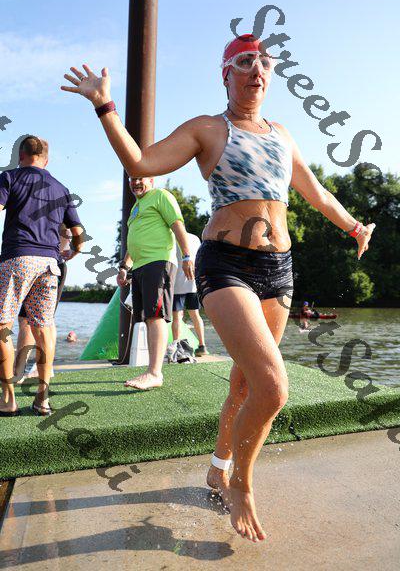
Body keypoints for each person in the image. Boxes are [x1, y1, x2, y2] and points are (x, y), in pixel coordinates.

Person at [61, 35, 375, 542]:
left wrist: (355, 227)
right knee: (274, 387)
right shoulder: (208, 128)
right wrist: (105, 106)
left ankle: (218, 467)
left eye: (264, 62)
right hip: (226, 265)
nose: (257, 70)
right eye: (245, 62)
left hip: (279, 270)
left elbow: (316, 193)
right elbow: (141, 163)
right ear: (226, 74)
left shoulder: (283, 135)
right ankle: (241, 485)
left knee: (245, 385)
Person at [0, 136, 83, 416]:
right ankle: (42, 399)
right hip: (50, 264)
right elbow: (78, 232)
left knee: (3, 325)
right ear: (46, 160)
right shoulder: (60, 188)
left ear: (21, 156)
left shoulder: (9, 178)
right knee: (44, 327)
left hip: (18, 258)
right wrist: (74, 250)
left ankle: (8, 400)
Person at [116, 176, 194, 389]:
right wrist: (124, 267)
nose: (135, 182)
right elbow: (134, 241)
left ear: (151, 180)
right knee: (147, 318)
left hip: (158, 262)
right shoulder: (136, 207)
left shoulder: (161, 196)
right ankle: (151, 370)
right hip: (140, 267)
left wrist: (187, 256)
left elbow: (177, 225)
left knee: (156, 315)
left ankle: (155, 373)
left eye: (140, 178)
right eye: (132, 179)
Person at [15, 226, 71, 383]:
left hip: (49, 266)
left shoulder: (51, 210)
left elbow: (68, 230)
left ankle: (20, 371)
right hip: (40, 264)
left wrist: (61, 250)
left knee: (31, 320)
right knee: (34, 320)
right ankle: (29, 369)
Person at [171, 232, 208, 358]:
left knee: (177, 317)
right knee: (195, 314)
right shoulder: (195, 238)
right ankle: (202, 346)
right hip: (193, 282)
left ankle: (177, 346)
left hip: (177, 283)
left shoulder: (172, 237)